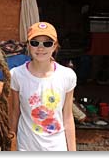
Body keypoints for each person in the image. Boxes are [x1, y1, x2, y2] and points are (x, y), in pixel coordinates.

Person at [10, 22, 76, 151]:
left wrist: (72, 150)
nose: (41, 48)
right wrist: (11, 145)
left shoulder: (67, 76)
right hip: (26, 146)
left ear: (55, 46)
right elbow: (14, 113)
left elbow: (67, 116)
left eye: (47, 43)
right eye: (35, 43)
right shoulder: (16, 75)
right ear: (28, 45)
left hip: (57, 147)